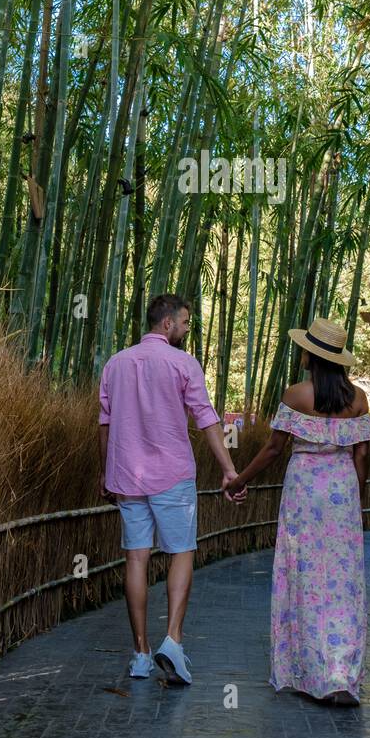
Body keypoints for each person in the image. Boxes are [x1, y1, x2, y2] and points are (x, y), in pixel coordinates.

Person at [98, 293, 245, 686]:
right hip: (173, 477)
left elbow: (105, 424)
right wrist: (229, 469)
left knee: (136, 560)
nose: (185, 329)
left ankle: (141, 653)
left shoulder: (115, 364)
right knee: (182, 552)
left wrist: (105, 472)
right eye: (183, 323)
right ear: (167, 324)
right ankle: (173, 642)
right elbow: (207, 419)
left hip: (127, 477)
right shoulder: (183, 363)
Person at [225, 317, 370, 706]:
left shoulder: (295, 395)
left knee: (304, 576)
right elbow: (361, 456)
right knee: (343, 583)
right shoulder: (357, 400)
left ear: (312, 354)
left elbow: (274, 449)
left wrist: (240, 480)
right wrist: (355, 504)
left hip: (305, 491)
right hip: (342, 491)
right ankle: (341, 677)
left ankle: (306, 672)